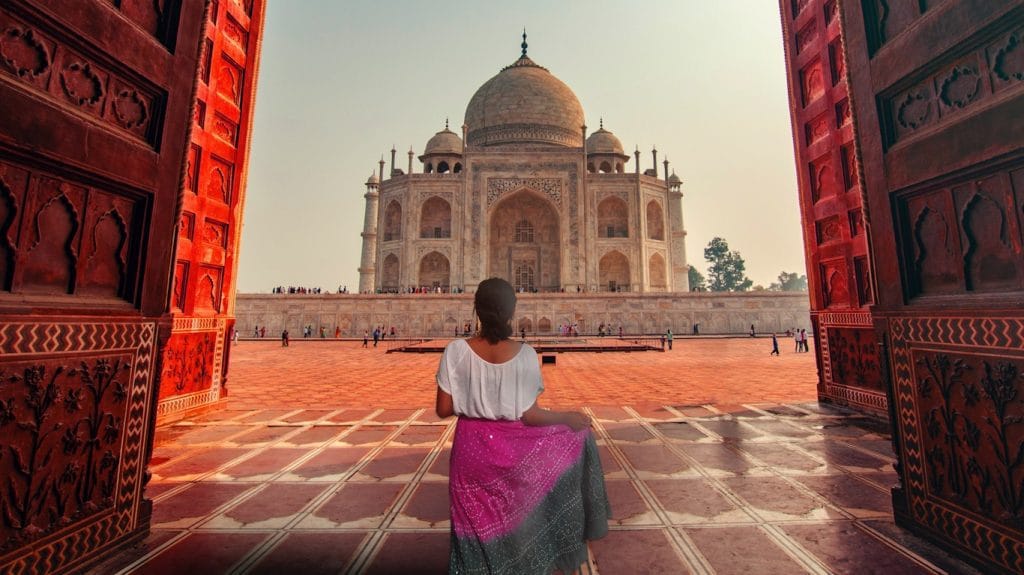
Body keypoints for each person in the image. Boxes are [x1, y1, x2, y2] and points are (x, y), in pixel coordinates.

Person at [435, 278, 609, 573]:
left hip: (469, 452)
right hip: (511, 451)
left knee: (472, 529)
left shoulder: (455, 351)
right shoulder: (525, 354)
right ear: (511, 312)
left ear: (476, 309)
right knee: (513, 522)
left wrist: (472, 400)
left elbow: (443, 410)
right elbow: (530, 416)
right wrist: (567, 418)